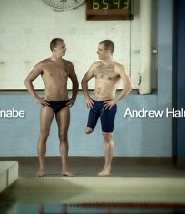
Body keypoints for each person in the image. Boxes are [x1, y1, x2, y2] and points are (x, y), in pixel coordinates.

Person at [24, 38, 79, 177]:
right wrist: (37, 98)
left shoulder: (68, 65)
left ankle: (65, 168)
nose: (65, 49)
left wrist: (73, 98)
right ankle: (41, 168)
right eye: (62, 47)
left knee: (63, 135)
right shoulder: (43, 64)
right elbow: (27, 80)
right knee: (44, 135)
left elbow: (75, 81)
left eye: (64, 46)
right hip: (48, 104)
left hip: (64, 103)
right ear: (54, 48)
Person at [81, 40, 133, 177]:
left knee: (107, 135)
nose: (97, 52)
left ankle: (107, 168)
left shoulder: (118, 67)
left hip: (107, 105)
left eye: (100, 50)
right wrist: (86, 97)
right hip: (94, 104)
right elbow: (84, 80)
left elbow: (129, 86)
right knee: (88, 130)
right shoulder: (95, 65)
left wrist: (115, 100)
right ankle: (91, 125)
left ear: (108, 51)